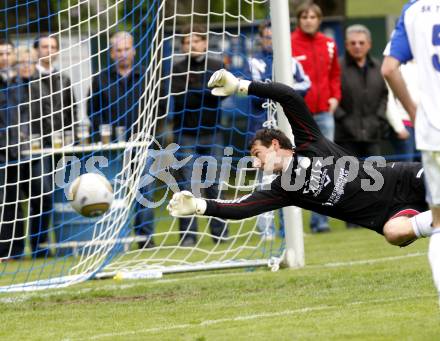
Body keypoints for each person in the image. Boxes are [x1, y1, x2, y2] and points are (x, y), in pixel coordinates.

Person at [167, 69, 435, 250]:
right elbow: (241, 209)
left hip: (403, 179)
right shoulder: (285, 190)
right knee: (394, 234)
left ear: (274, 144)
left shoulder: (310, 141)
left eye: (257, 155)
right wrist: (200, 205)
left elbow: (289, 97)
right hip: (388, 216)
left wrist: (240, 86)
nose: (257, 164)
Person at [381, 0, 440, 296]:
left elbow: (389, 69)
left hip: (433, 131)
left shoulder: (414, 10)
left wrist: (418, 116)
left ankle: (412, 226)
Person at [88, 31, 155, 248]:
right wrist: (103, 132)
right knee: (114, 190)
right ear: (111, 53)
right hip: (112, 147)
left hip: (142, 142)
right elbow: (92, 111)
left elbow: (159, 107)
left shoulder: (147, 76)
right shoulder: (100, 79)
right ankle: (113, 238)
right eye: (118, 50)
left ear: (134, 50)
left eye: (127, 49)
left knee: (144, 190)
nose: (123, 54)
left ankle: (145, 238)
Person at [248, 20, 311, 239]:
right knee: (264, 181)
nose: (271, 42)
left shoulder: (292, 62)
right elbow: (255, 94)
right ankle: (267, 232)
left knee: (294, 178)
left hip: (288, 131)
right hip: (263, 131)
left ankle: (291, 232)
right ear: (261, 39)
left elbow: (305, 86)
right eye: (267, 37)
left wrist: (281, 92)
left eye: (275, 37)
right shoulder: (254, 62)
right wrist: (281, 91)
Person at [167, 24, 228, 246]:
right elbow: (183, 99)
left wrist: (198, 90)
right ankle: (188, 236)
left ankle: (220, 233)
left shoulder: (216, 65)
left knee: (213, 185)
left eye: (196, 40)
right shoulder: (176, 69)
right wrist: (206, 91)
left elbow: (221, 95)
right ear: (182, 47)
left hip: (213, 133)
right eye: (187, 42)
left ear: (204, 43)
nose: (192, 45)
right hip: (185, 134)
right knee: (187, 186)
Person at [290, 2, 341, 233]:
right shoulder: (288, 42)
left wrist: (334, 98)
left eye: (313, 16)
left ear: (319, 19)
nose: (309, 20)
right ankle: (288, 227)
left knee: (323, 167)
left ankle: (320, 222)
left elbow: (334, 75)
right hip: (296, 116)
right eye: (304, 16)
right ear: (299, 19)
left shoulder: (329, 44)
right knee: (294, 167)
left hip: (323, 114)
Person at [15, 46, 53, 258]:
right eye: (22, 63)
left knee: (44, 197)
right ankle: (16, 249)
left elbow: (49, 116)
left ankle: (39, 244)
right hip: (11, 153)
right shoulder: (9, 87)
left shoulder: (41, 87)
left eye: (30, 62)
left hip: (38, 151)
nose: (26, 66)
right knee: (14, 201)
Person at [335, 25, 388, 158]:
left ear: (369, 45)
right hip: (345, 137)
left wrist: (379, 118)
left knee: (376, 175)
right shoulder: (337, 67)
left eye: (361, 43)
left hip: (373, 135)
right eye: (353, 43)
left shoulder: (377, 66)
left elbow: (384, 95)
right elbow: (330, 95)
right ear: (346, 45)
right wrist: (343, 119)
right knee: (349, 177)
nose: (357, 46)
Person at [0, 39, 25, 259]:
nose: (5, 57)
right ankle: (4, 250)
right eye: (1, 54)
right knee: (4, 201)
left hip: (21, 150)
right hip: (1, 150)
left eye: (8, 53)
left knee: (19, 200)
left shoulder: (21, 82)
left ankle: (18, 249)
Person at [34, 34, 77, 147]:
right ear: (36, 50)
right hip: (36, 143)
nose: (49, 51)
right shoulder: (28, 79)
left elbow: (72, 110)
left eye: (53, 47)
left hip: (62, 142)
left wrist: (73, 137)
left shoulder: (64, 79)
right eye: (44, 47)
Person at [385, 61, 418, 162]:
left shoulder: (426, 63)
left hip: (425, 128)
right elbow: (388, 99)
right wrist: (399, 127)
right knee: (406, 170)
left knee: (426, 171)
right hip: (405, 127)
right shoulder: (394, 65)